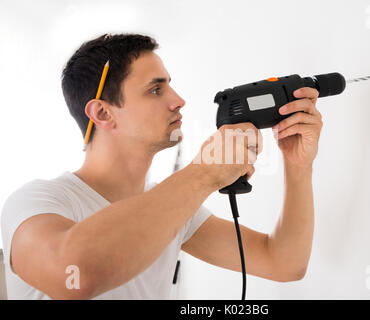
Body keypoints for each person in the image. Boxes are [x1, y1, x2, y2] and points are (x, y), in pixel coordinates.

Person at [0, 33, 322, 299]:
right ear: (102, 114)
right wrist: (204, 173)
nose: (178, 99)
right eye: (155, 89)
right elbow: (77, 275)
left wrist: (298, 166)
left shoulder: (172, 208)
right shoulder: (35, 202)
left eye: (169, 85)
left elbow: (284, 262)